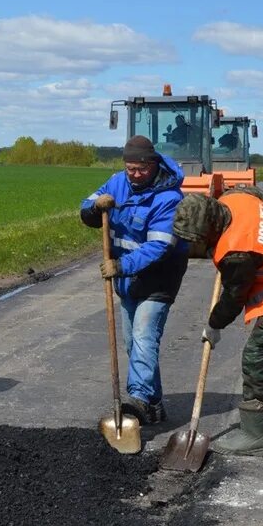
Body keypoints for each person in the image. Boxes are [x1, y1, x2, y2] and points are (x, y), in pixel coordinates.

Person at [172, 184, 263, 456]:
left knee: (256, 358)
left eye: (199, 238)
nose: (197, 245)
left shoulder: (238, 253)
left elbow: (235, 297)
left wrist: (214, 325)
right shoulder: (235, 198)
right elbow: (257, 194)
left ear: (212, 225)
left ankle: (254, 436)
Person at [80, 135, 188, 424]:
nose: (136, 175)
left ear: (153, 164)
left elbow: (160, 246)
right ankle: (154, 405)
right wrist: (94, 208)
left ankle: (138, 400)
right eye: (131, 169)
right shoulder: (117, 182)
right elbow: (86, 206)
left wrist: (121, 265)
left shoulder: (169, 198)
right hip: (128, 281)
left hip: (159, 278)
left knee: (143, 335)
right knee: (134, 343)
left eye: (141, 169)